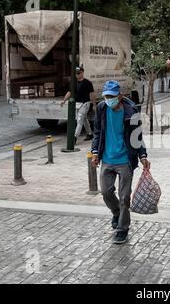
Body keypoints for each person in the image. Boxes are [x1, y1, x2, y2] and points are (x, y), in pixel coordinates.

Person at [91, 80, 150, 244]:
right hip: (107, 159)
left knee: (124, 197)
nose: (108, 99)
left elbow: (137, 136)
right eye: (106, 96)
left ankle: (122, 229)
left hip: (125, 160)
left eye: (111, 96)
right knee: (106, 192)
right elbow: (97, 132)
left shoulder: (131, 111)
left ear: (120, 96)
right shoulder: (102, 108)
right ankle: (117, 213)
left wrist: (143, 156)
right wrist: (95, 152)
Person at [61, 66, 95, 143]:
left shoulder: (87, 82)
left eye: (78, 73)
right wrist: (64, 100)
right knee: (84, 119)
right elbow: (69, 92)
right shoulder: (74, 82)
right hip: (77, 103)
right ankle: (90, 133)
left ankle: (74, 137)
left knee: (79, 119)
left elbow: (92, 94)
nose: (77, 75)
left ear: (82, 73)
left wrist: (94, 105)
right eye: (76, 74)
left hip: (85, 103)